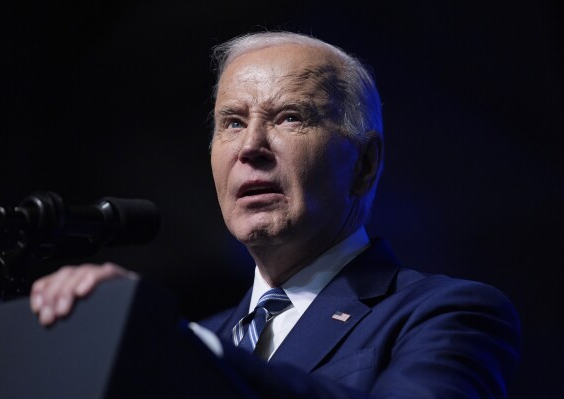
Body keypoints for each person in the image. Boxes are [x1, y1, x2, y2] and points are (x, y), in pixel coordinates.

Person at [30, 31, 521, 398]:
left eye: (289, 116)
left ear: (365, 164)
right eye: (233, 122)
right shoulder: (198, 336)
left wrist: (185, 352)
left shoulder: (449, 314)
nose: (250, 147)